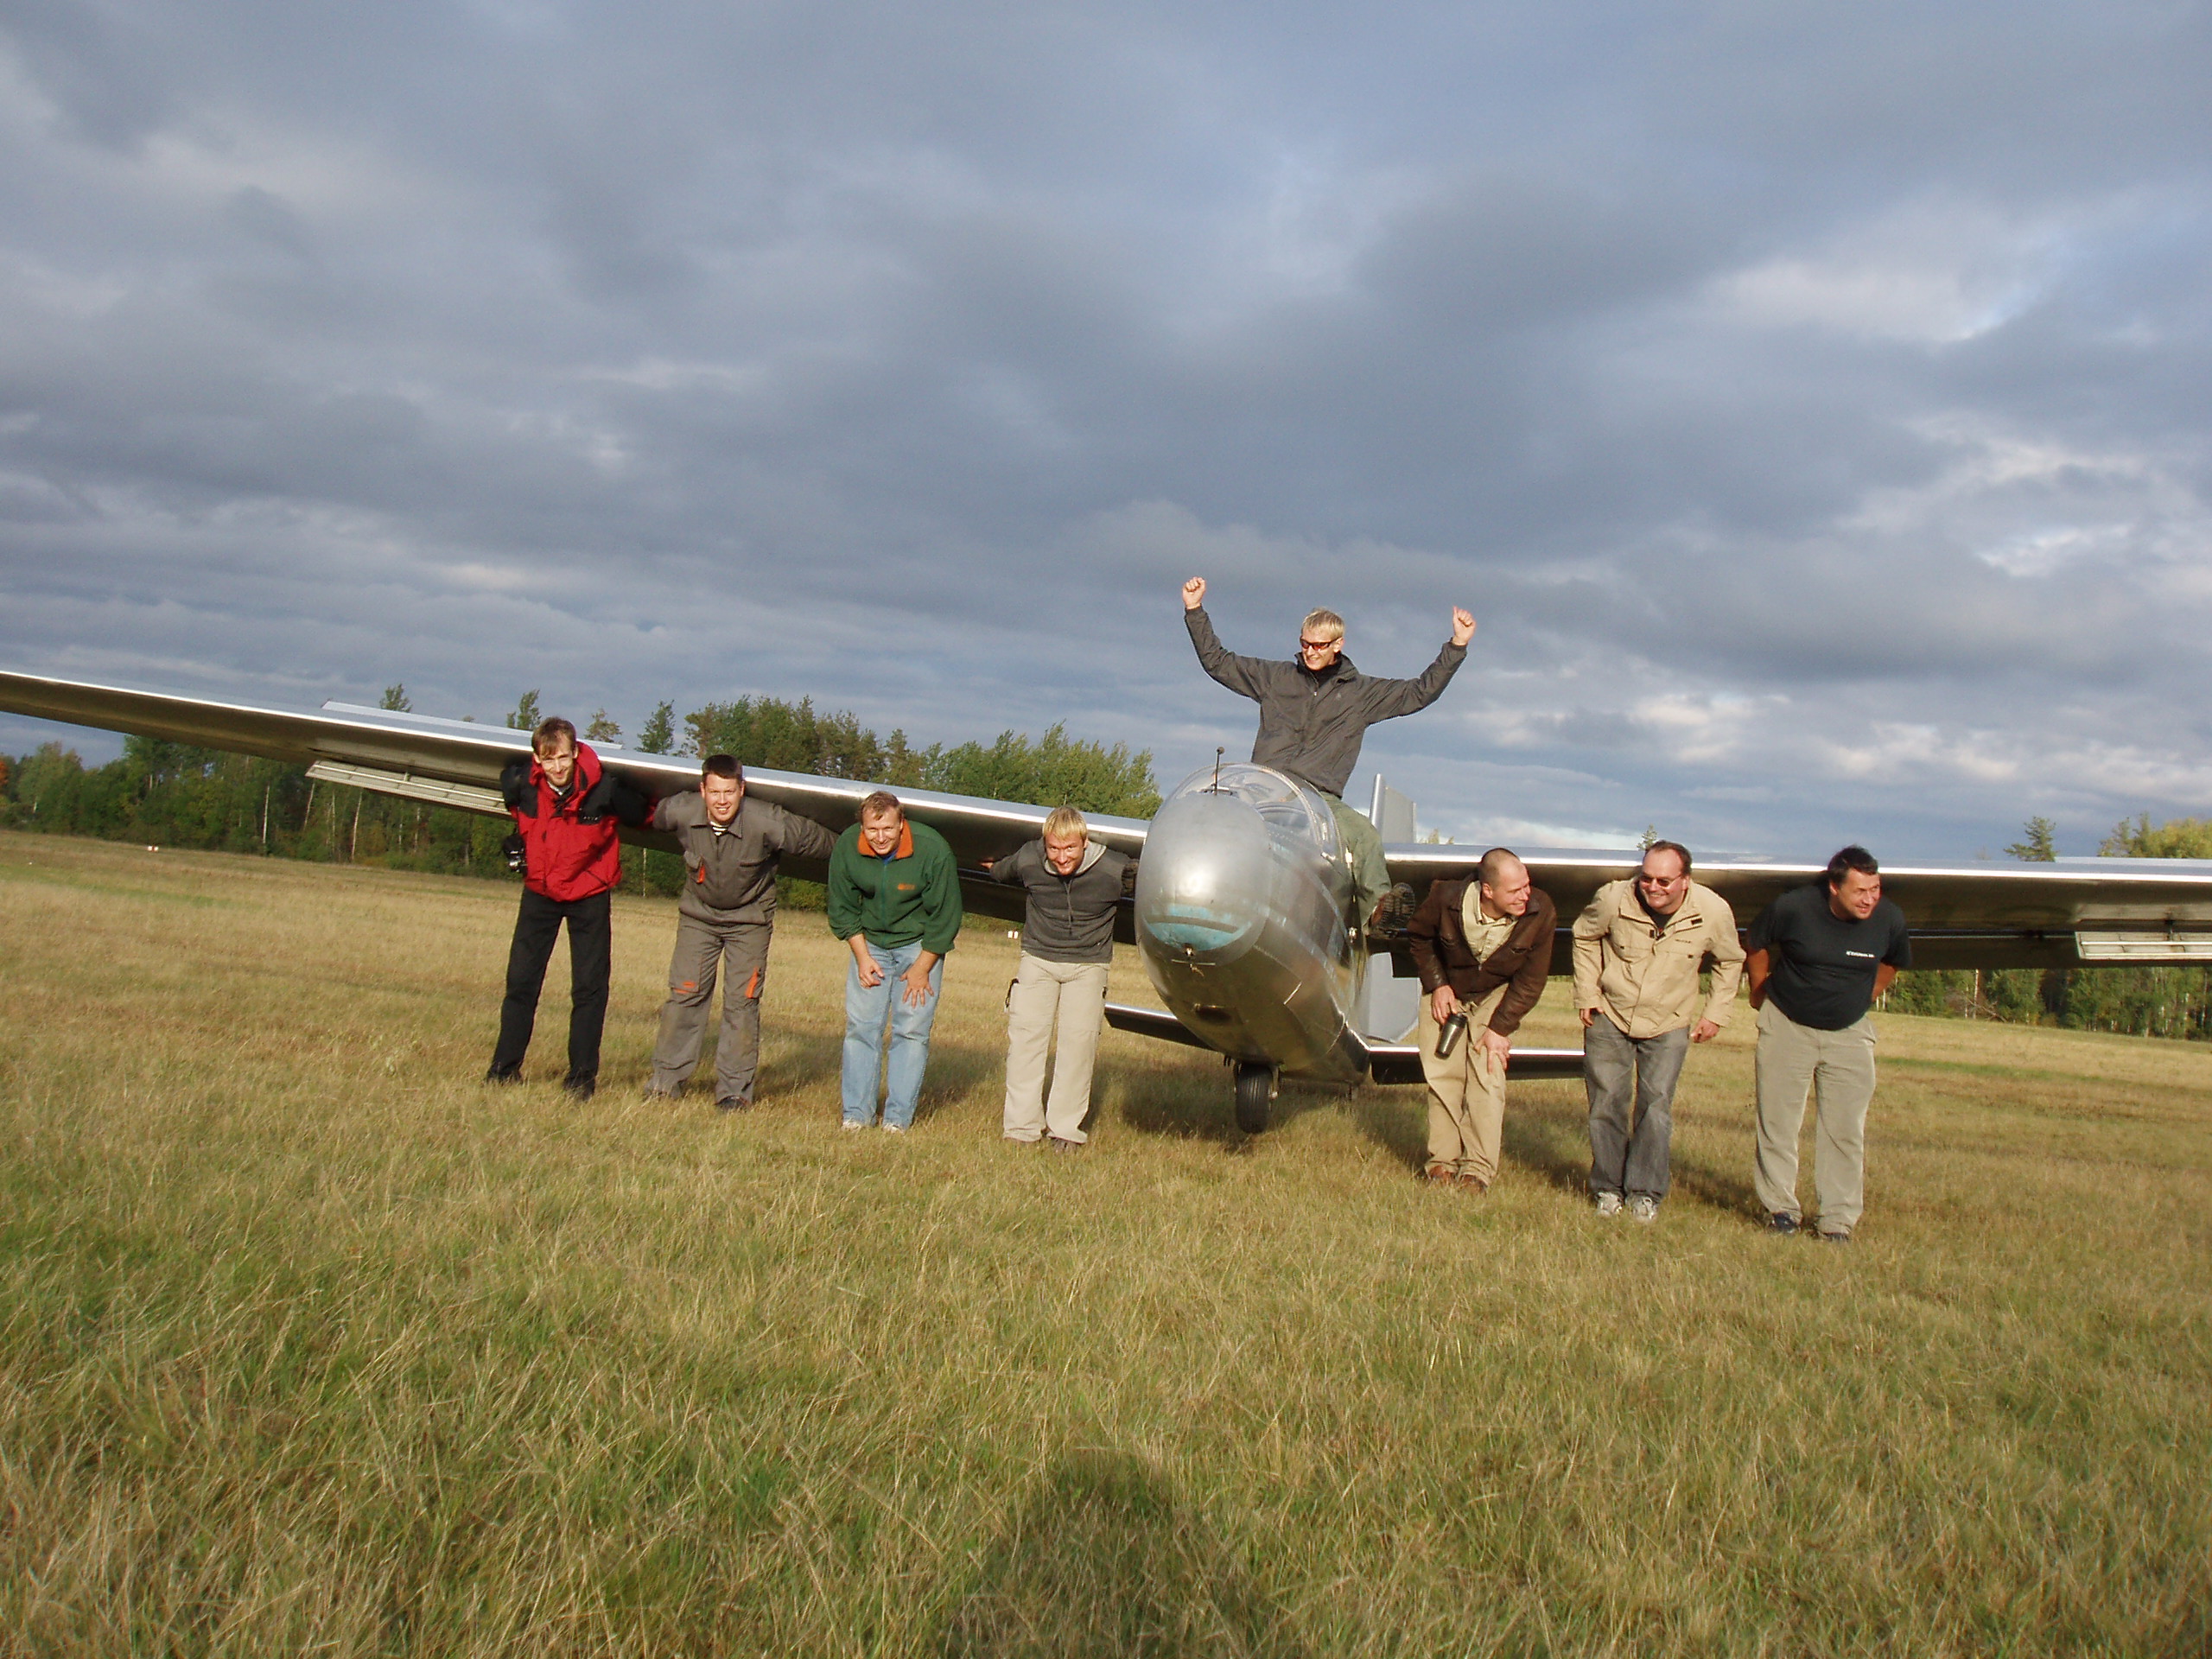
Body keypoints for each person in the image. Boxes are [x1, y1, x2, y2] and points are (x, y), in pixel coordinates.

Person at [1180, 575, 1475, 928]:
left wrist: (1456, 645)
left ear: (1338, 644)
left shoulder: (1362, 694)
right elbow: (1218, 662)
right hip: (1265, 788)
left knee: (1364, 835)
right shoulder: (1275, 677)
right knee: (1208, 812)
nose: (1310, 651)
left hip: (1319, 799)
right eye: (1305, 644)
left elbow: (1420, 693)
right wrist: (1194, 609)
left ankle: (1378, 915)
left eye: (1320, 646)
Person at [644, 753, 836, 1112]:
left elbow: (816, 841)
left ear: (741, 790)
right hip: (698, 916)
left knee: (742, 1003)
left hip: (749, 921)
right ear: (702, 790)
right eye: (714, 792)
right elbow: (640, 813)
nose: (721, 801)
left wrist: (864, 852)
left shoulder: (767, 821)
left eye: (729, 792)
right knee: (685, 994)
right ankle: (665, 1081)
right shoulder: (680, 811)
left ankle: (734, 1091)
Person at [1571, 840, 1745, 1222]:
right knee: (1606, 1104)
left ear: (1685, 880)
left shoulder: (1713, 910)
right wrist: (1587, 993)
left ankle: (1644, 1194)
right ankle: (1607, 1190)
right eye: (1646, 878)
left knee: (1656, 1108)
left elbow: (1731, 960)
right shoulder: (1613, 898)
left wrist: (1715, 1012)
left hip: (1669, 1021)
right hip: (1610, 1016)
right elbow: (1583, 936)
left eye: (1664, 881)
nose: (1653, 887)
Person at [1745, 845, 1911, 1243]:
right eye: (1860, 891)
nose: (1870, 898)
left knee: (1845, 1129)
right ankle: (1781, 1211)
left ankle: (1837, 1220)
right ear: (1834, 888)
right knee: (1778, 1124)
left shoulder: (1889, 918)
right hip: (1788, 1025)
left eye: (1876, 888)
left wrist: (1866, 996)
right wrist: (1758, 991)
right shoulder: (1794, 907)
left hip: (1849, 1033)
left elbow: (1893, 961)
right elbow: (1755, 943)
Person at [484, 715, 649, 1100]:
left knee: (589, 989)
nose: (557, 767)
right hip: (540, 892)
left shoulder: (604, 789)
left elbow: (645, 815)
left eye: (563, 757)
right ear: (537, 760)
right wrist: (518, 842)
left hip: (589, 893)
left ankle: (581, 1079)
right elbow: (519, 814)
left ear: (575, 753)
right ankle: (503, 1070)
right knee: (521, 983)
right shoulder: (519, 785)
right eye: (548, 759)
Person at [1403, 848, 1557, 1192]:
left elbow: (1531, 980)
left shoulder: (1541, 910)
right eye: (1515, 890)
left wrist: (1501, 1028)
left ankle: (1478, 1170)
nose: (1525, 895)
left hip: (1498, 993)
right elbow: (1419, 937)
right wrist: (1438, 985)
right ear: (1488, 890)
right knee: (1443, 1075)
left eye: (1527, 886)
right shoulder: (1445, 898)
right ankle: (1441, 1165)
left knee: (1488, 1074)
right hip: (1448, 989)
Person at [985, 807, 1130, 1151]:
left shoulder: (1116, 868)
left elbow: (1160, 881)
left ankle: (1065, 1130)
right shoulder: (1028, 859)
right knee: (1025, 1043)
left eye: (1070, 849)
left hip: (1088, 966)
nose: (1062, 858)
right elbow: (997, 871)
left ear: (1085, 843)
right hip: (1038, 960)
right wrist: (991, 866)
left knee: (1077, 1047)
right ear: (1044, 845)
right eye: (1054, 849)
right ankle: (1021, 1128)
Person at [828, 791, 963, 1132]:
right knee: (862, 1028)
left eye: (888, 828)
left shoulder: (933, 849)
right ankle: (856, 1115)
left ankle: (897, 1119)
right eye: (872, 830)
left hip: (918, 946)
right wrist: (862, 956)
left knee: (912, 1031)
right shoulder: (847, 846)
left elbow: (946, 916)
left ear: (901, 823)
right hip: (870, 943)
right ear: (862, 827)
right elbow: (842, 908)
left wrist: (921, 969)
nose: (880, 837)